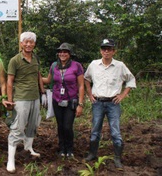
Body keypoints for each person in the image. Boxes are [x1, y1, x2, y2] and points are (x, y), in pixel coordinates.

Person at [84, 39, 136, 170]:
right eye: (103, 49)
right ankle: (92, 154)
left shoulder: (120, 66)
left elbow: (131, 80)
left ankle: (117, 158)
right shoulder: (94, 64)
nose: (106, 51)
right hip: (98, 102)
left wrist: (123, 95)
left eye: (109, 49)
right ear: (100, 51)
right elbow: (86, 79)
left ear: (114, 51)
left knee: (115, 132)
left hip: (113, 103)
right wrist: (89, 95)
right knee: (95, 130)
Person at [5, 31, 46, 173]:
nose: (28, 44)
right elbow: (9, 81)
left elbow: (38, 75)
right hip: (21, 98)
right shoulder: (15, 60)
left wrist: (43, 92)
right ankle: (10, 159)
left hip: (35, 97)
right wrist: (9, 101)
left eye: (31, 42)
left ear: (34, 44)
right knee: (17, 127)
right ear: (21, 44)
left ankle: (29, 148)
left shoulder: (35, 58)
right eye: (26, 42)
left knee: (33, 125)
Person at [42, 43, 84, 158]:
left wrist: (80, 104)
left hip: (71, 100)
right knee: (60, 126)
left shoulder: (77, 66)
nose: (62, 54)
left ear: (70, 54)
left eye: (65, 52)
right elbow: (48, 80)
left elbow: (81, 85)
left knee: (67, 126)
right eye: (60, 51)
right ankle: (62, 148)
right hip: (57, 99)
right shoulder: (54, 65)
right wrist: (34, 75)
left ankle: (70, 148)